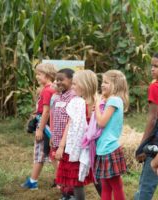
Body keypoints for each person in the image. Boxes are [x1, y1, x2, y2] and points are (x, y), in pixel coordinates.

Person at [134, 51, 158, 200]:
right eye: (151, 66)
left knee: (146, 185)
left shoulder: (156, 87)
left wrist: (143, 144)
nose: (152, 69)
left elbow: (152, 118)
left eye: (156, 66)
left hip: (157, 139)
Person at [55, 70, 97, 200]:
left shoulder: (97, 104)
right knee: (76, 181)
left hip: (91, 148)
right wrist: (62, 146)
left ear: (84, 85)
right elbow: (70, 124)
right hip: (76, 148)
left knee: (97, 179)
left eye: (75, 84)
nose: (72, 87)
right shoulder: (77, 103)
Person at [21, 63, 56, 190]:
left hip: (44, 126)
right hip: (49, 125)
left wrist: (40, 129)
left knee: (41, 153)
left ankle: (33, 182)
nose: (36, 77)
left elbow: (46, 111)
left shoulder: (47, 90)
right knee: (51, 153)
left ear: (47, 75)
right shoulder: (52, 88)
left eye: (39, 74)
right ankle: (59, 180)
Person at [95, 70, 129, 200]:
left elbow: (101, 122)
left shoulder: (114, 100)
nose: (102, 85)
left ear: (115, 85)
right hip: (104, 147)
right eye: (102, 82)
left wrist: (97, 104)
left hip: (109, 147)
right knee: (106, 185)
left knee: (116, 185)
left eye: (106, 82)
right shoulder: (113, 100)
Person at [50, 68, 76, 199]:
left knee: (67, 168)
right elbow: (54, 116)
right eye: (57, 80)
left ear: (71, 80)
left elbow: (71, 123)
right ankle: (65, 193)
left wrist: (62, 144)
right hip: (57, 138)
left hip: (67, 141)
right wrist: (53, 136)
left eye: (62, 80)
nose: (58, 82)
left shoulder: (73, 97)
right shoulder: (57, 97)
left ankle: (70, 194)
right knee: (60, 168)